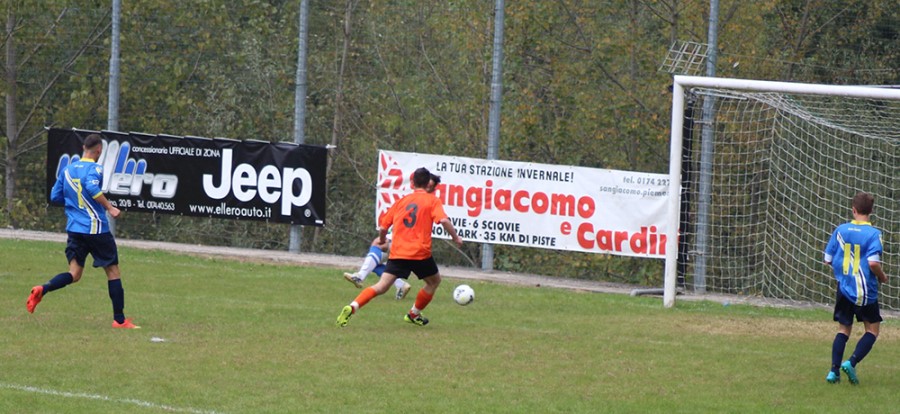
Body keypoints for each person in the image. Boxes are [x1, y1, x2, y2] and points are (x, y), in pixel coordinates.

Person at [26, 133, 140, 329]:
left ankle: (42, 289)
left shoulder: (68, 169)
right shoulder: (96, 168)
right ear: (98, 151)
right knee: (113, 271)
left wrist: (73, 205)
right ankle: (119, 320)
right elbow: (91, 187)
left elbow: (55, 196)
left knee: (74, 273)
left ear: (83, 149)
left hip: (75, 230)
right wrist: (110, 208)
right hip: (95, 229)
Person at [336, 168, 461, 327]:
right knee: (434, 282)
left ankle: (352, 306)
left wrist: (382, 240)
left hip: (398, 252)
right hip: (419, 253)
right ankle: (413, 314)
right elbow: (443, 221)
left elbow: (383, 228)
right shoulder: (432, 200)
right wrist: (455, 237)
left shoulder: (401, 201)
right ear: (427, 183)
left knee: (381, 286)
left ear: (413, 183)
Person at [342, 174, 443, 300]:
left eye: (430, 187)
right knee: (376, 261)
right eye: (427, 184)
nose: (427, 187)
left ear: (432, 189)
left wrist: (385, 239)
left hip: (407, 245)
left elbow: (441, 220)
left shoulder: (429, 201)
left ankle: (360, 276)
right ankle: (400, 285)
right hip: (405, 242)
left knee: (377, 246)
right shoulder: (412, 198)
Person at [823, 192, 887, 384]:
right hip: (865, 291)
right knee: (872, 330)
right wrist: (883, 277)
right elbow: (873, 263)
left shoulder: (841, 230)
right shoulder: (874, 234)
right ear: (871, 211)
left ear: (853, 210)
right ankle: (851, 362)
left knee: (843, 329)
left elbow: (827, 259)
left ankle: (833, 372)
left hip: (844, 288)